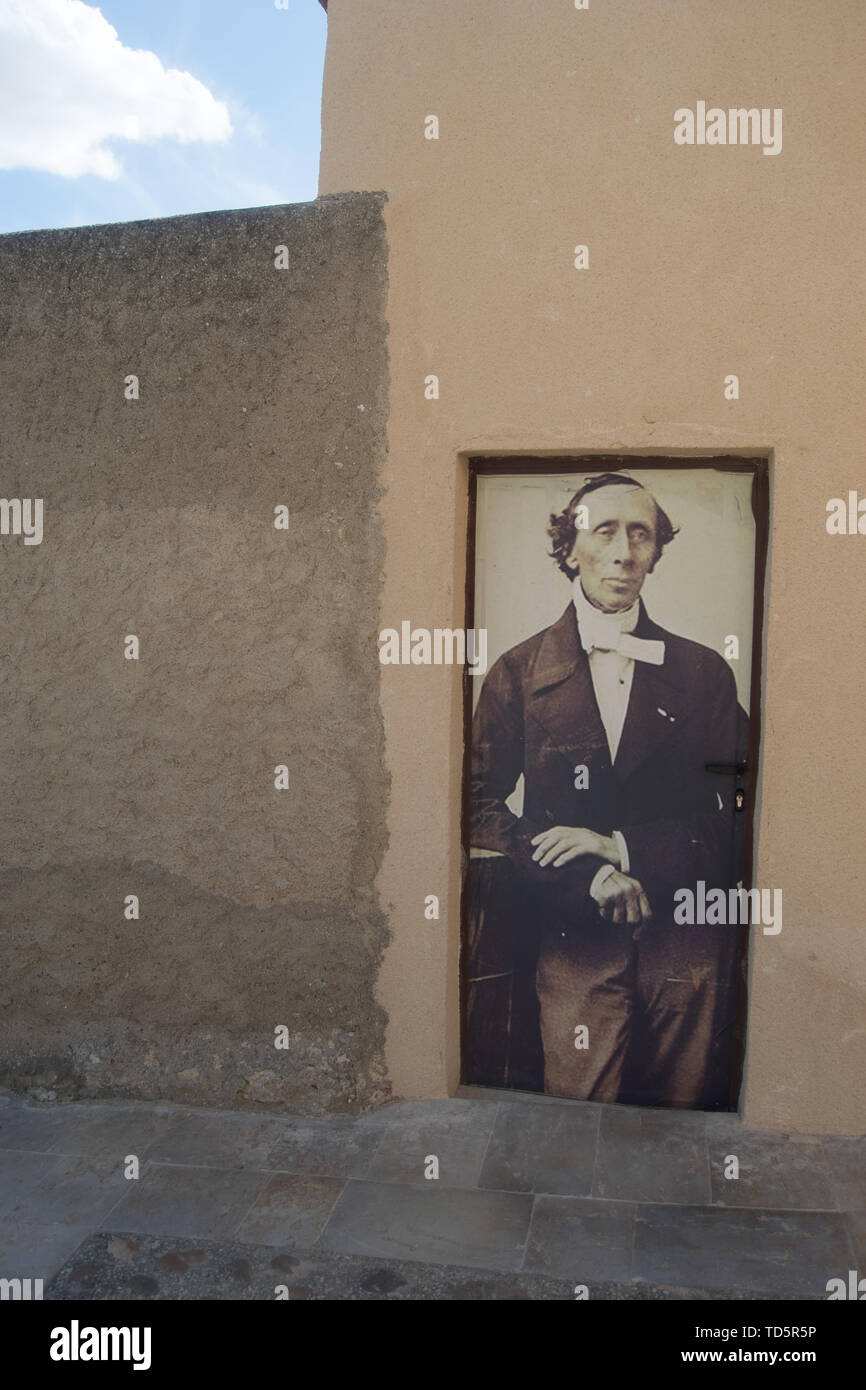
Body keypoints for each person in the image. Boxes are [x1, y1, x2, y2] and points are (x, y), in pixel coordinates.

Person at [469, 472, 749, 1108]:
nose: (624, 550)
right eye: (605, 531)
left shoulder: (704, 673)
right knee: (578, 1122)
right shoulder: (516, 672)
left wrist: (623, 847)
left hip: (685, 941)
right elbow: (475, 804)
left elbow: (744, 808)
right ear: (571, 549)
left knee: (680, 1126)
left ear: (655, 553)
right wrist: (587, 876)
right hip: (574, 936)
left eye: (641, 533)